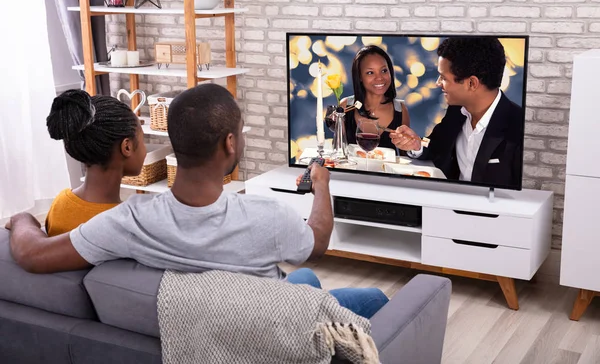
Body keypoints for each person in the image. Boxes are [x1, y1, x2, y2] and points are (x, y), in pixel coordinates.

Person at [7, 84, 388, 319]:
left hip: (209, 317)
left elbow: (32, 255)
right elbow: (317, 243)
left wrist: (23, 219)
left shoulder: (128, 222)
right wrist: (321, 185)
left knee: (305, 279)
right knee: (371, 296)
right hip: (267, 321)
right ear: (230, 143)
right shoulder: (269, 217)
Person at [391, 37, 524, 188]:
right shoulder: (457, 111)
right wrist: (416, 145)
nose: (437, 83)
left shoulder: (519, 128)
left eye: (443, 77)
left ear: (471, 83)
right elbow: (437, 148)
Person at [44, 89, 147, 236]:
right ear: (127, 147)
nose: (145, 149)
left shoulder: (59, 204)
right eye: (142, 140)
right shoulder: (127, 224)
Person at [340, 45, 410, 150]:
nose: (379, 78)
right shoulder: (345, 106)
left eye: (384, 71)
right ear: (359, 77)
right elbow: (337, 151)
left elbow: (405, 156)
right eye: (370, 73)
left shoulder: (400, 109)